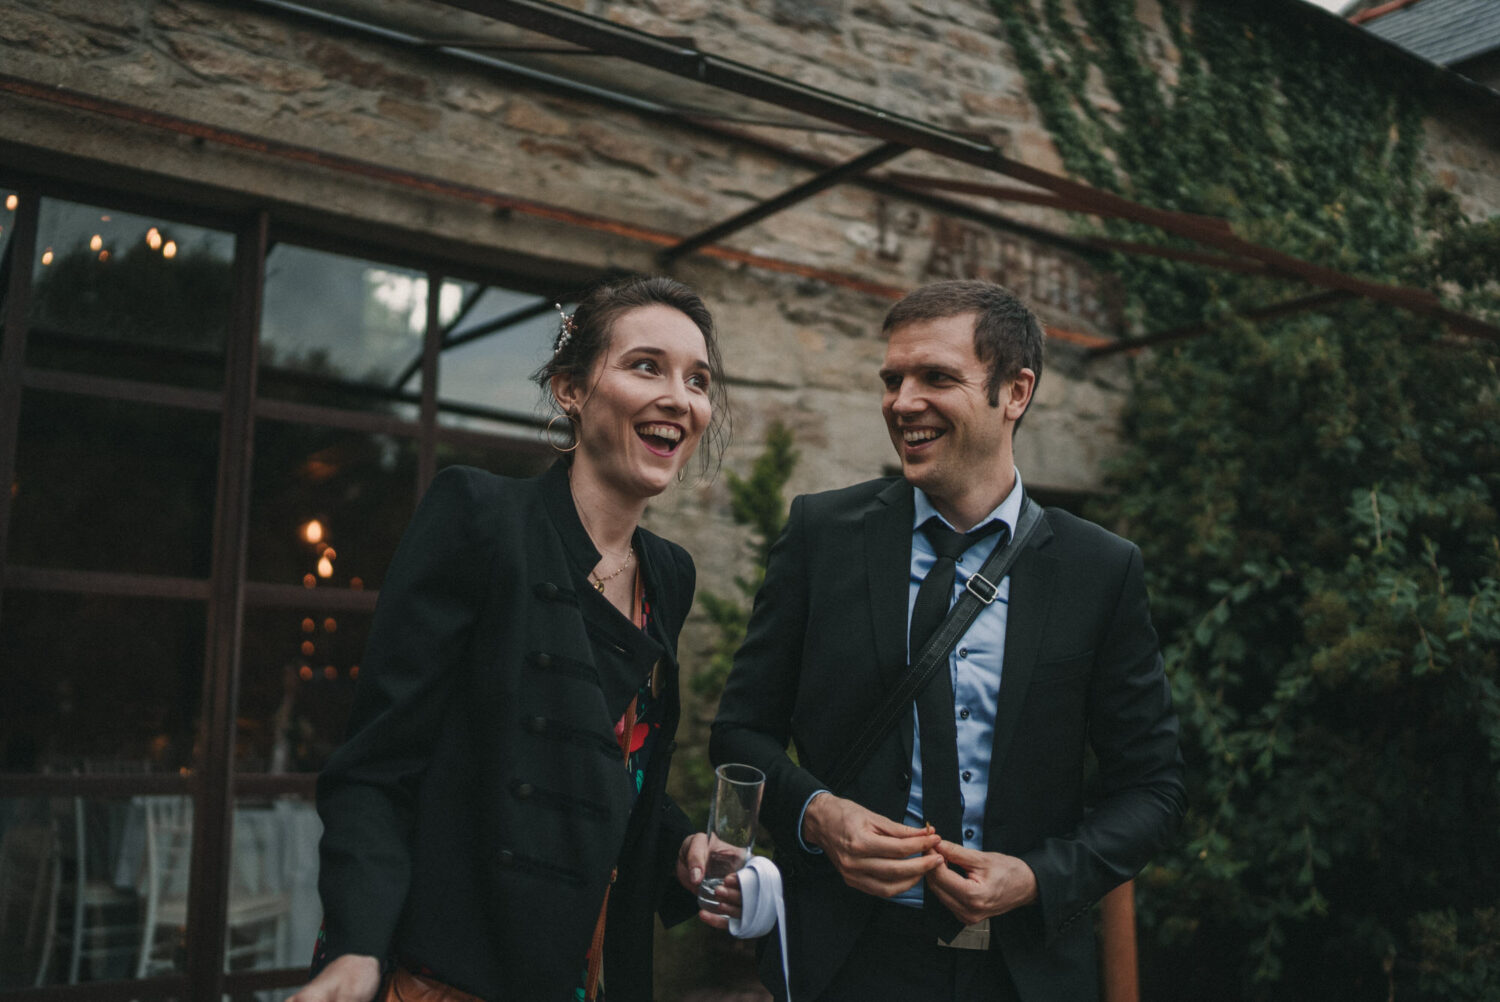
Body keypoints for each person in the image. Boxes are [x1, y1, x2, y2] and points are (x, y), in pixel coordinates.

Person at [711, 280, 1185, 1002]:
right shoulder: (821, 537)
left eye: (936, 377)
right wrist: (818, 817)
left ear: (1015, 392)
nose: (902, 403)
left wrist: (1038, 877)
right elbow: (740, 732)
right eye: (893, 380)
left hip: (1021, 970)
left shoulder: (1101, 569)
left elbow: (1152, 789)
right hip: (846, 962)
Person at [292, 276, 737, 1002]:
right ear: (570, 390)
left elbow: (607, 764)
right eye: (645, 366)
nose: (680, 399)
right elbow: (377, 768)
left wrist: (681, 843)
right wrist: (355, 944)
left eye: (698, 380)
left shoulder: (668, 575)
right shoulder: (480, 518)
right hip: (458, 973)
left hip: (588, 973)